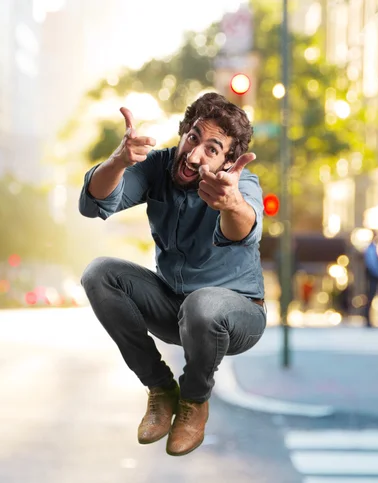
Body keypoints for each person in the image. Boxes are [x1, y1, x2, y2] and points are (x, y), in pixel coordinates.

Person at [78, 92, 266, 457]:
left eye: (212, 150)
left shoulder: (239, 185)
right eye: (193, 138)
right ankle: (160, 389)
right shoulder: (159, 167)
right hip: (174, 308)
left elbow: (243, 228)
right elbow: (93, 203)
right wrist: (119, 160)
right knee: (98, 273)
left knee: (203, 305)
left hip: (236, 318)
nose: (194, 155)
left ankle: (194, 403)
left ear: (228, 161)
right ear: (183, 133)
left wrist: (230, 204)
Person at [363, 233, 378, 327]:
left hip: (373, 275)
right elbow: (372, 264)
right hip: (373, 276)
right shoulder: (371, 249)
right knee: (370, 297)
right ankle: (367, 319)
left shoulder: (372, 248)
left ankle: (368, 319)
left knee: (370, 297)